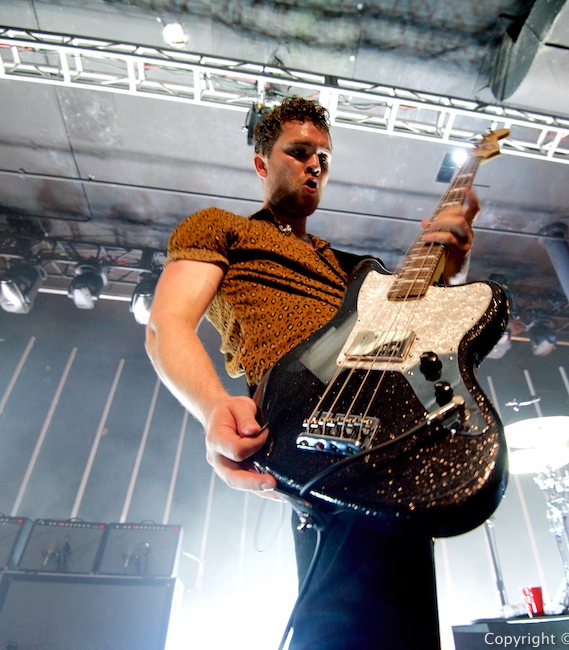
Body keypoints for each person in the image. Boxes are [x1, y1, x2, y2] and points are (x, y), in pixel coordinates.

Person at [145, 96, 479, 650]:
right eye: (299, 152)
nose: (315, 164)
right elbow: (166, 324)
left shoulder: (354, 269)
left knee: (406, 613)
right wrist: (212, 406)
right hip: (310, 419)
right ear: (261, 163)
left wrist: (453, 262)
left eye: (323, 155)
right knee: (350, 617)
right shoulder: (220, 227)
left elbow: (417, 331)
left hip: (387, 422)